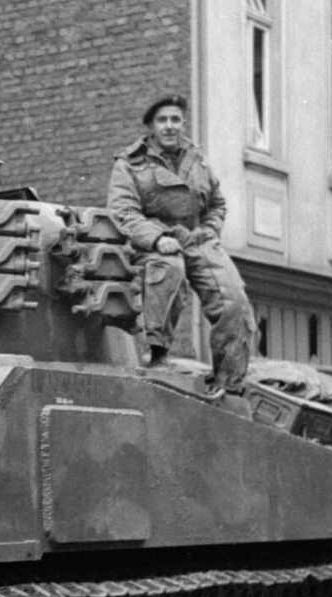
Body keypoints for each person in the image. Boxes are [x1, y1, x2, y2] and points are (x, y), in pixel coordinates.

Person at [107, 93, 255, 392]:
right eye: (162, 120)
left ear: (183, 124)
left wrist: (209, 230)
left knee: (234, 299)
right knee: (168, 271)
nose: (170, 126)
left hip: (197, 238)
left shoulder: (196, 160)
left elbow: (217, 203)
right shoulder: (129, 164)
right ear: (151, 126)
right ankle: (158, 355)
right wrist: (156, 238)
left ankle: (228, 381)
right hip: (153, 241)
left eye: (175, 119)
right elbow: (123, 211)